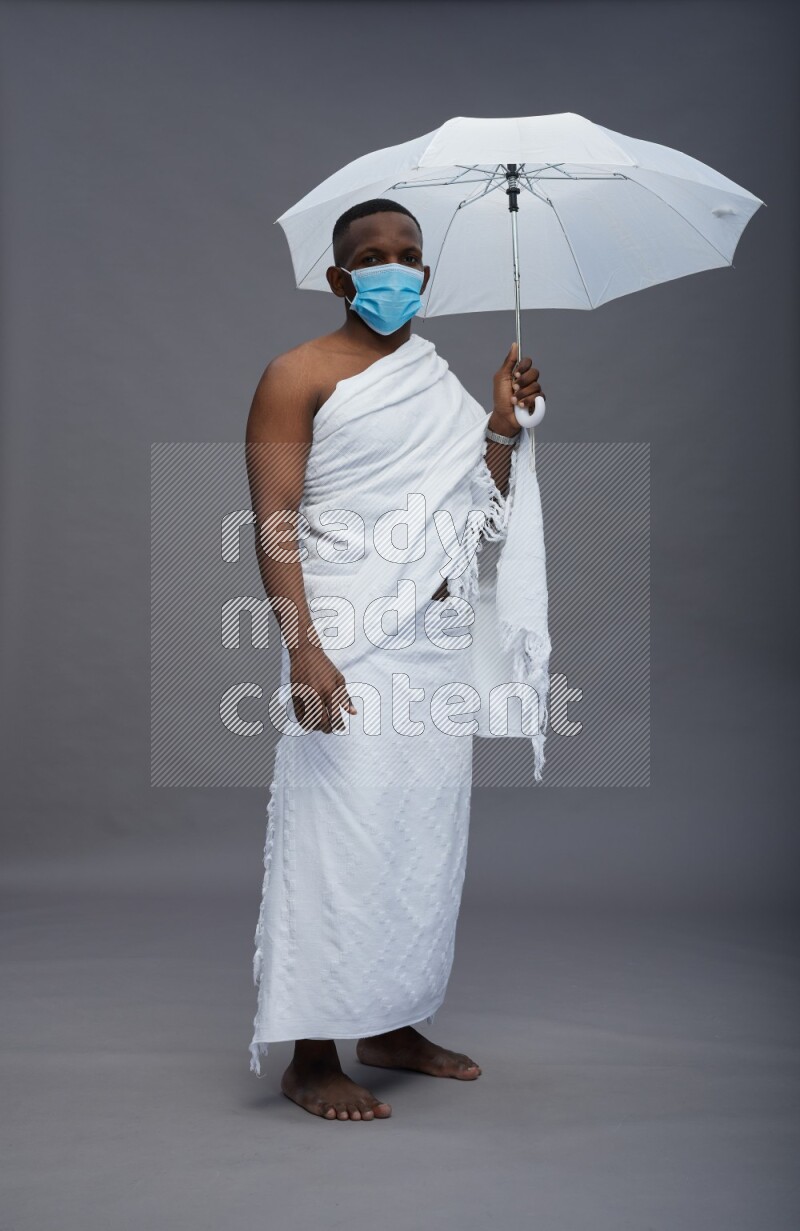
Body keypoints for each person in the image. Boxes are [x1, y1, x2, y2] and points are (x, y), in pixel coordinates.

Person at [245, 198, 545, 1121]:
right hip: (347, 641)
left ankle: (392, 1023)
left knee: (420, 842)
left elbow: (472, 511)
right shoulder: (296, 376)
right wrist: (305, 650)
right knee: (338, 844)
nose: (393, 269)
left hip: (431, 651)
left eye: (409, 256)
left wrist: (500, 422)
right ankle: (312, 1052)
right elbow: (276, 523)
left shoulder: (435, 380)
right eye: (371, 258)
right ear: (340, 279)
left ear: (426, 274)